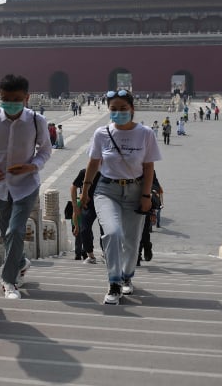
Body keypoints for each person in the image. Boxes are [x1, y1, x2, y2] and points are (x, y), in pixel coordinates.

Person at [81, 90, 161, 305]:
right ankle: (114, 282)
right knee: (113, 233)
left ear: (132, 109)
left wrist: (146, 195)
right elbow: (93, 162)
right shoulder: (101, 133)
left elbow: (148, 166)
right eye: (113, 109)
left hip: (135, 191)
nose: (118, 113)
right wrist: (85, 189)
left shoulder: (145, 134)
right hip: (107, 190)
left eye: (123, 109)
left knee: (132, 242)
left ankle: (127, 276)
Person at [0, 74, 51, 299]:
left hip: (26, 185)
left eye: (16, 99)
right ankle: (21, 262)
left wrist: (31, 167)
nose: (10, 103)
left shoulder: (36, 120)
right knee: (6, 233)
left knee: (15, 230)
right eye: (5, 98)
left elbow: (45, 151)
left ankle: (8, 281)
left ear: (26, 98)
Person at [70, 168, 100, 264]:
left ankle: (106, 253)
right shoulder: (84, 172)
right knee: (84, 229)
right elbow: (73, 187)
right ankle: (90, 256)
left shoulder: (107, 172)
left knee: (106, 231)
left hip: (103, 204)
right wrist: (75, 206)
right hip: (88, 205)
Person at [137, 171, 163, 265]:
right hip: (131, 202)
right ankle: (137, 255)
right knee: (134, 231)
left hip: (146, 203)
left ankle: (147, 246)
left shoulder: (148, 168)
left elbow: (155, 186)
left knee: (144, 231)